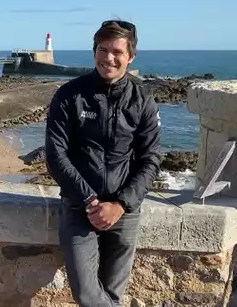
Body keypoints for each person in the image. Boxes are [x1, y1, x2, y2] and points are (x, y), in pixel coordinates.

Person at [45, 20, 162, 306]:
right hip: (78, 206)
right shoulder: (70, 95)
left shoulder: (142, 100)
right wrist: (89, 200)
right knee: (87, 295)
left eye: (117, 51)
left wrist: (120, 204)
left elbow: (151, 159)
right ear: (94, 50)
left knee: (112, 295)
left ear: (131, 56)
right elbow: (55, 154)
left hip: (125, 210)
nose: (108, 57)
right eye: (102, 49)